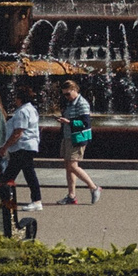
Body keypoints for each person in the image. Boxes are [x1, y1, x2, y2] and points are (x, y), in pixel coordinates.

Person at [0, 85, 43, 211]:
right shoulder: (31, 109)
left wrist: (5, 147)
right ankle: (7, 199)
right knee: (26, 173)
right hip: (27, 146)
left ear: (20, 99)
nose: (14, 100)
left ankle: (35, 200)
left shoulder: (22, 112)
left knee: (12, 175)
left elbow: (18, 132)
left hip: (22, 146)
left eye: (16, 98)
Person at [56, 77, 100, 205]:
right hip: (68, 137)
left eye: (68, 94)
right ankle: (71, 195)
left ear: (74, 89)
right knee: (68, 167)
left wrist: (68, 122)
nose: (66, 97)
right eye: (64, 94)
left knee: (73, 166)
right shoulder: (70, 103)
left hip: (77, 138)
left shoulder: (82, 103)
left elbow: (85, 123)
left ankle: (94, 187)